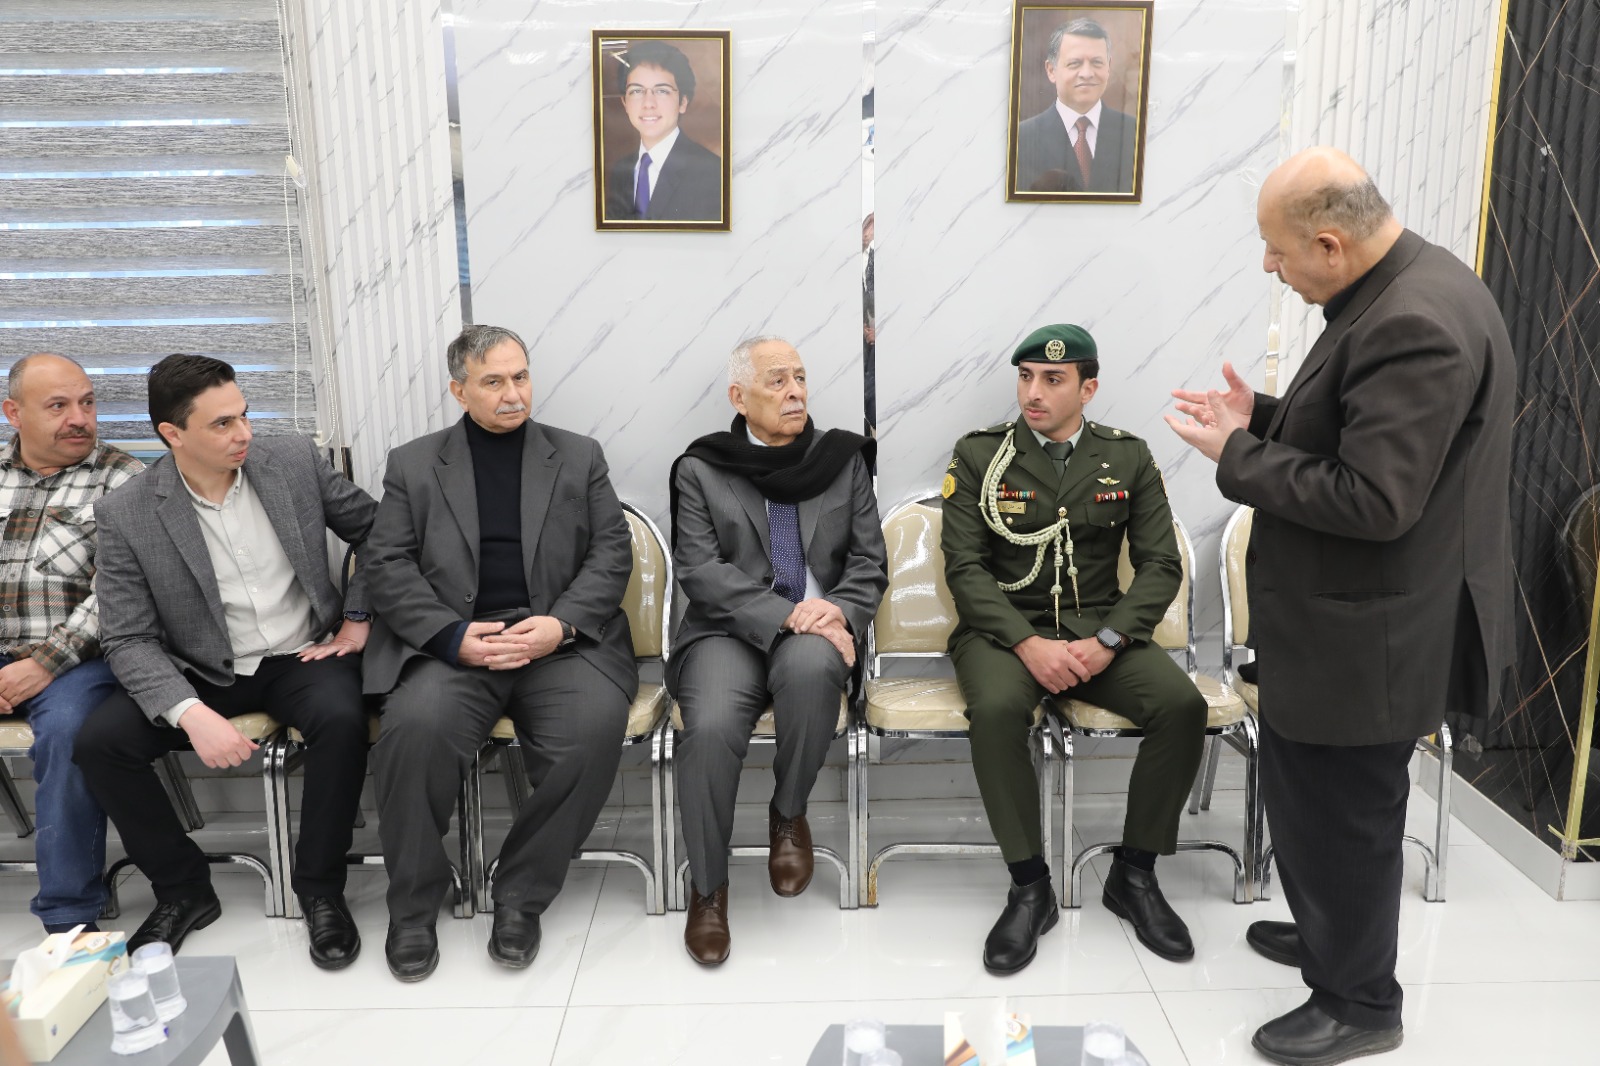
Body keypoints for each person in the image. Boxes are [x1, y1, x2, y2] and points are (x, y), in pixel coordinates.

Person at [1167, 147, 1514, 1066]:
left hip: (1373, 633)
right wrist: (1265, 417)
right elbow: (1364, 427)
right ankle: (1331, 933)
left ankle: (1359, 1001)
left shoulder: (1415, 321)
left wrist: (1236, 455)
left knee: (1345, 815)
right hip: (1363, 620)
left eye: (1277, 251)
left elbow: (1375, 498)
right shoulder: (1409, 283)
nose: (1269, 266)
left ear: (1329, 242)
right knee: (1320, 809)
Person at [75, 355, 377, 967]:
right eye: (221, 424)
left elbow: (382, 531)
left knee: (343, 719)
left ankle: (321, 890)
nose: (243, 433)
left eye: (243, 415)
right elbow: (127, 638)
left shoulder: (291, 460)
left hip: (304, 652)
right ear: (173, 433)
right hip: (201, 669)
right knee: (100, 743)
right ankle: (183, 890)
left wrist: (358, 616)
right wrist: (190, 713)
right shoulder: (128, 511)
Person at [364, 324, 637, 982]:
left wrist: (560, 625)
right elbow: (388, 565)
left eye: (520, 377)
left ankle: (521, 895)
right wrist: (450, 637)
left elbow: (611, 553)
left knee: (590, 733)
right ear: (459, 391)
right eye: (493, 381)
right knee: (413, 731)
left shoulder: (578, 456)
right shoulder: (413, 464)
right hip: (458, 645)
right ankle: (413, 909)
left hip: (558, 645)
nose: (513, 393)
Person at [942, 324, 1207, 975]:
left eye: (1052, 380)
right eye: (1025, 376)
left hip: (1099, 631)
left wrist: (1109, 641)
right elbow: (965, 568)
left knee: (1181, 706)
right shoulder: (980, 455)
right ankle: (1030, 888)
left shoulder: (1128, 456)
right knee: (997, 712)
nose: (1032, 392)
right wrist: (1027, 643)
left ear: (1088, 389)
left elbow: (1159, 565)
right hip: (1003, 634)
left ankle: (1135, 875)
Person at [668, 336, 886, 965]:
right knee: (709, 726)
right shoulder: (702, 467)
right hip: (727, 631)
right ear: (739, 397)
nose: (795, 393)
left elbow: (870, 561)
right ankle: (708, 889)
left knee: (814, 667)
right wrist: (787, 614)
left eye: (800, 378)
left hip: (819, 627)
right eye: (777, 381)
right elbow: (700, 571)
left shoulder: (840, 458)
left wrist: (837, 611)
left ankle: (788, 812)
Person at [0, 354, 143, 934]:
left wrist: (42, 665)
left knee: (67, 732)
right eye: (58, 406)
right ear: (13, 413)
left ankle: (68, 919)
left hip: (80, 659)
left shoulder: (123, 479)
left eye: (86, 402)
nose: (79, 418)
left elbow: (120, 593)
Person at [1014, 18, 1139, 195]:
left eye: (1097, 62)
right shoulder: (1021, 139)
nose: (1087, 73)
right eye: (1075, 63)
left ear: (1108, 67)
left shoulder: (1134, 133)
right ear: (1051, 70)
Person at [603, 40, 723, 222]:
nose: (648, 103)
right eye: (636, 91)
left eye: (661, 91)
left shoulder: (713, 172)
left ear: (683, 102)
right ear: (625, 103)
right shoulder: (621, 169)